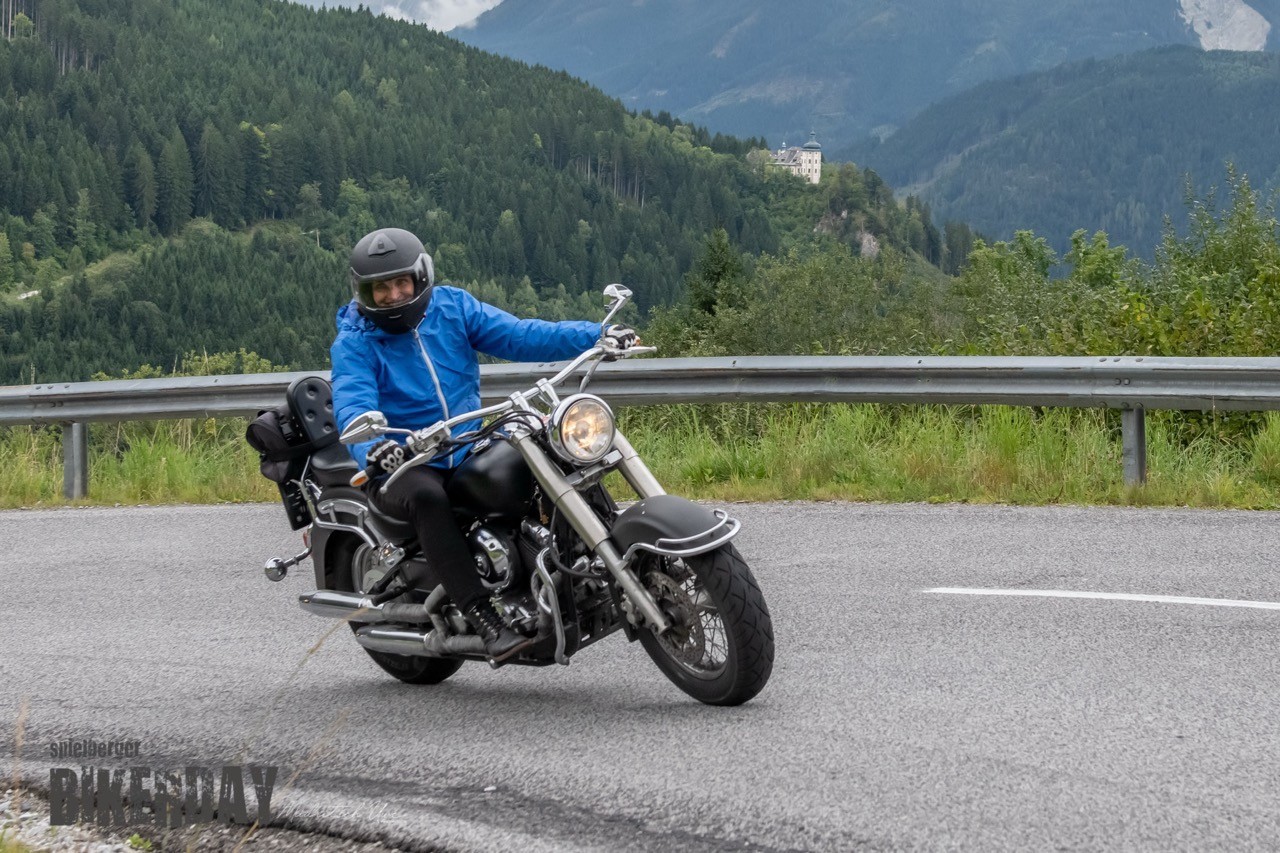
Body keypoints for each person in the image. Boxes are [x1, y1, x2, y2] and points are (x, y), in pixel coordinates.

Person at [330, 227, 638, 662]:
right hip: (403, 460)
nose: (394, 295)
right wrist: (374, 448)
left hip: (463, 443)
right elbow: (352, 402)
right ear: (364, 292)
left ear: (420, 278)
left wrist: (595, 335)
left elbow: (519, 335)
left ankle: (586, 557)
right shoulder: (355, 342)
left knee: (545, 448)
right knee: (426, 498)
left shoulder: (451, 308)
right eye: (381, 288)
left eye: (401, 282)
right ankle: (482, 616)